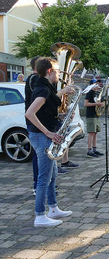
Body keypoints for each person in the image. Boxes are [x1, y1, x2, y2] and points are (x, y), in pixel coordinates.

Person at [25, 57, 74, 227]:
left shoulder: (46, 88)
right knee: (44, 177)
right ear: (49, 71)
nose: (60, 74)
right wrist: (48, 133)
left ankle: (53, 208)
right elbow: (30, 114)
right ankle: (40, 215)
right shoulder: (43, 90)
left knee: (52, 175)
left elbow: (44, 112)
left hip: (45, 135)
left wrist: (61, 116)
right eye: (58, 71)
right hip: (41, 136)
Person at [25, 57, 40, 195]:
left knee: (41, 156)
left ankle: (42, 184)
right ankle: (37, 186)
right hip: (35, 124)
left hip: (38, 123)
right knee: (38, 156)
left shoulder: (35, 79)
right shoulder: (34, 79)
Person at [84, 79, 105, 157]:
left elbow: (100, 102)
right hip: (90, 115)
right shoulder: (89, 93)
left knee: (95, 132)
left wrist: (102, 104)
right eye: (96, 84)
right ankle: (89, 150)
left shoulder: (96, 93)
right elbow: (85, 104)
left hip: (96, 114)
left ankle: (94, 149)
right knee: (91, 133)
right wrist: (97, 104)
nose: (98, 85)